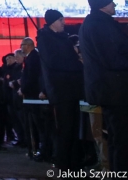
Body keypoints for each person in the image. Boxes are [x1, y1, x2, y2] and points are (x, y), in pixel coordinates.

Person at [79, 0, 128, 172]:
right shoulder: (101, 25)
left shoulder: (93, 24)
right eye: (111, 2)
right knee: (123, 140)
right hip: (116, 91)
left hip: (109, 90)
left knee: (118, 138)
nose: (114, 4)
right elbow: (113, 58)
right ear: (103, 4)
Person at [37, 9, 85, 170]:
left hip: (71, 89)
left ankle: (73, 161)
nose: (64, 23)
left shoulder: (62, 37)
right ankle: (65, 164)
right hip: (61, 90)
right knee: (65, 129)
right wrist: (77, 64)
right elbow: (54, 62)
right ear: (52, 23)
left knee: (73, 128)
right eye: (60, 20)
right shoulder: (45, 39)